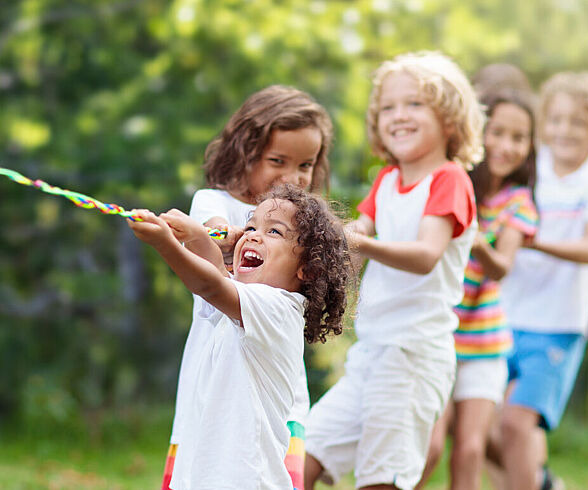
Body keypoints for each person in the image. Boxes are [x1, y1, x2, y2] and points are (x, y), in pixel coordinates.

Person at [304, 51, 484, 490]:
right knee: (301, 457)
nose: (398, 115)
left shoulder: (449, 180)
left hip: (413, 358)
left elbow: (425, 255)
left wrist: (359, 241)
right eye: (388, 107)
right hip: (371, 353)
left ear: (449, 118)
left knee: (379, 480)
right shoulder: (386, 179)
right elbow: (355, 240)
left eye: (415, 104)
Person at [163, 85, 335, 490]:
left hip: (278, 400)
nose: (292, 177)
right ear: (245, 152)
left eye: (305, 165)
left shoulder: (300, 228)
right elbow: (211, 233)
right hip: (209, 391)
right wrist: (218, 235)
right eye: (278, 160)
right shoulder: (213, 201)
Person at [129, 184, 350, 489]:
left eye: (274, 232)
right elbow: (216, 273)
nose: (252, 235)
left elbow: (209, 284)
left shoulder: (279, 309)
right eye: (250, 225)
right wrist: (195, 235)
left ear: (307, 270)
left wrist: (167, 245)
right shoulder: (243, 303)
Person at [495, 71, 588, 490]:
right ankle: (542, 482)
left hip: (558, 325)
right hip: (502, 314)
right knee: (486, 429)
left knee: (517, 424)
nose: (564, 130)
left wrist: (528, 240)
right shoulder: (529, 165)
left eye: (579, 122)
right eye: (556, 119)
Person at [416, 89, 538, 490]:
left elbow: (501, 267)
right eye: (497, 132)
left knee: (470, 450)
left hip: (485, 342)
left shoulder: (518, 202)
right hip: (439, 336)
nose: (506, 145)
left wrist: (472, 234)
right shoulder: (451, 181)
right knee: (429, 446)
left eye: (518, 138)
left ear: (529, 147)